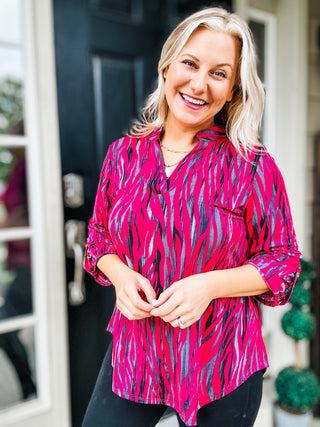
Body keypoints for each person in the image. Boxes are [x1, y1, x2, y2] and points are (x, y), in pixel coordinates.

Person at [82, 7, 301, 427]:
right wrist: (122, 277)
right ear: (167, 67)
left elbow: (283, 261)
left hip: (223, 360)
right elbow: (99, 240)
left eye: (219, 73)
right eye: (190, 63)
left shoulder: (251, 166)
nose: (199, 84)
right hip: (135, 353)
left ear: (234, 89)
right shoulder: (123, 156)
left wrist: (211, 285)